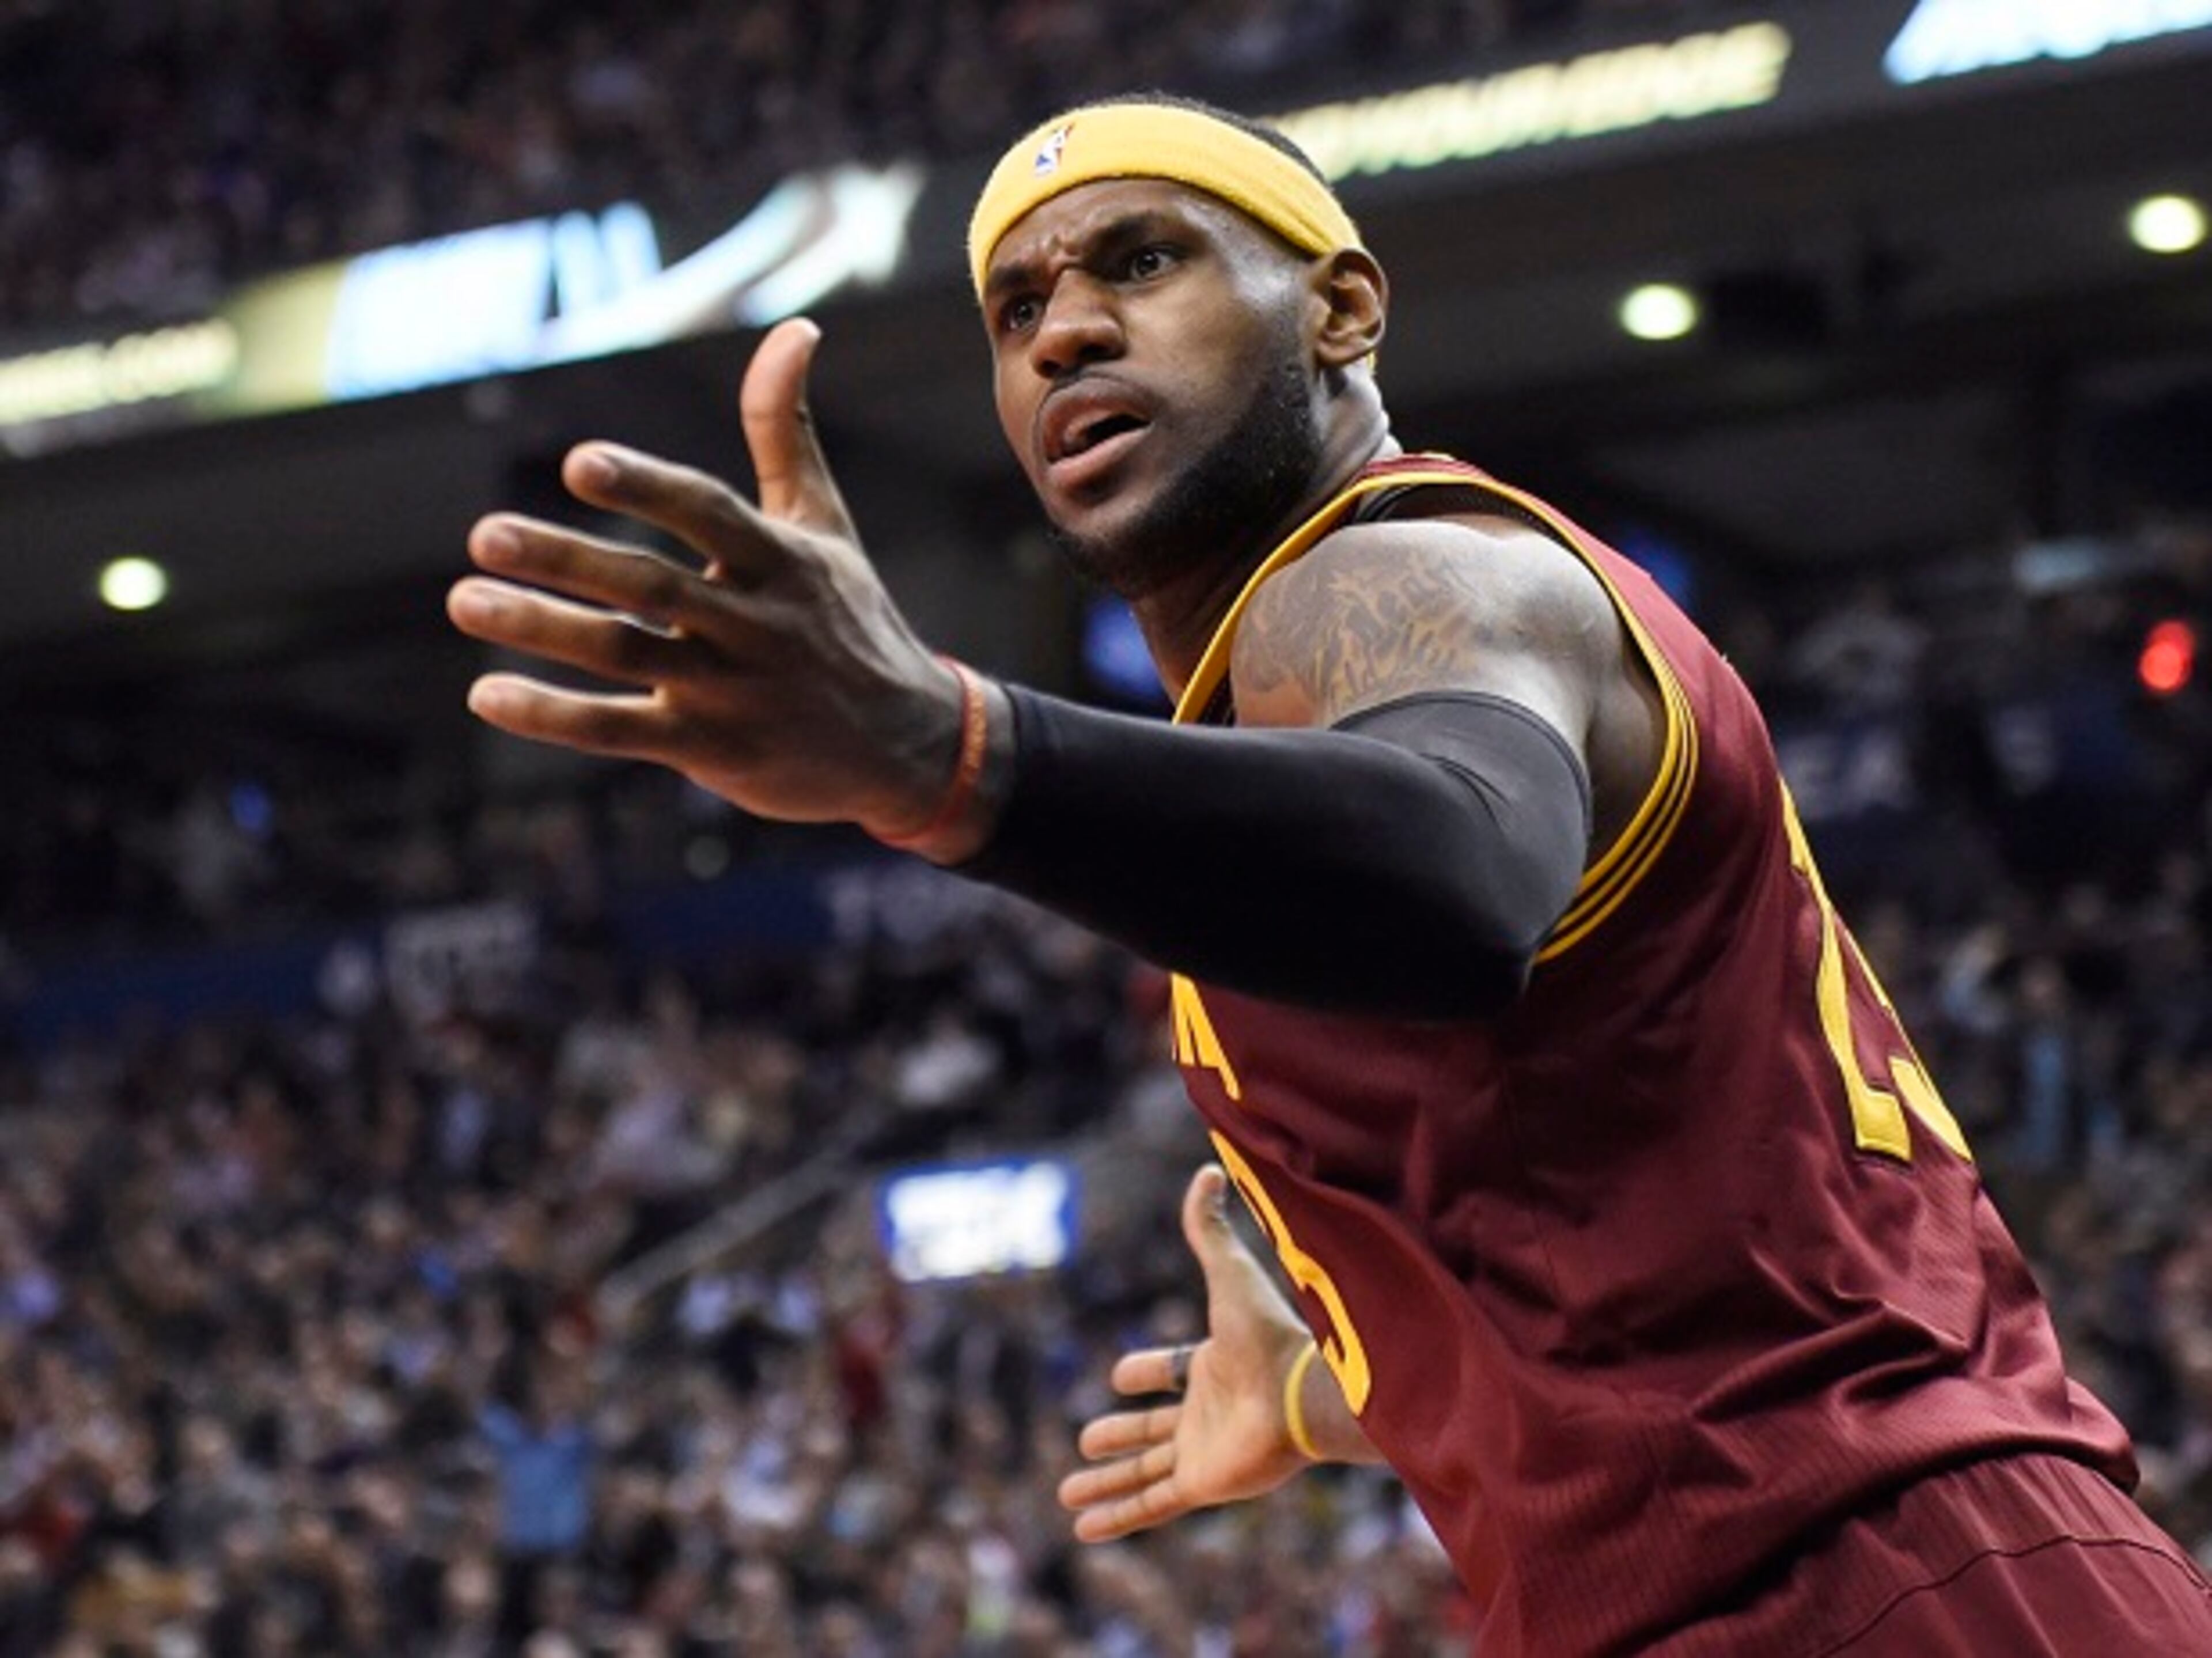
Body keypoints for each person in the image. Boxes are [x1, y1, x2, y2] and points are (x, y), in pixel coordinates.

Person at [446, 95, 2212, 1655]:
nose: (1065, 330)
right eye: (1017, 309)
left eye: (1138, 260)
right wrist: (1335, 1385)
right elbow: (1674, 1291)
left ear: (1342, 305)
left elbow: (1454, 874)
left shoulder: (1418, 572)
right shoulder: (1287, 722)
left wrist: (949, 750)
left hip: (1884, 1579)